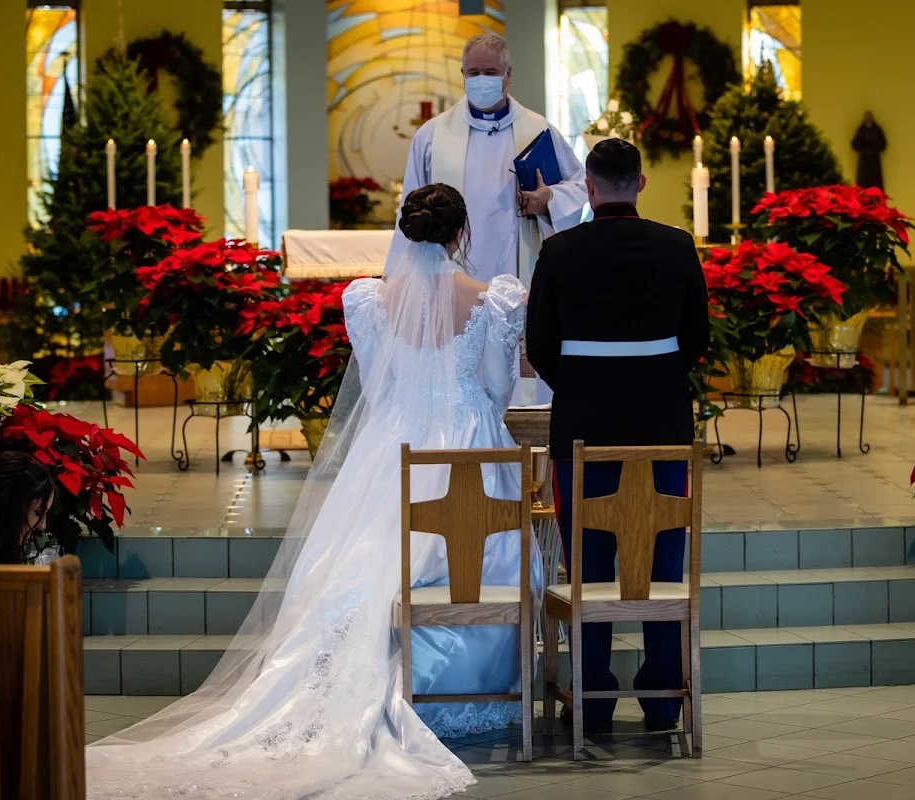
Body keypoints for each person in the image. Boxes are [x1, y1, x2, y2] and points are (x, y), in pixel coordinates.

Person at [86, 183, 540, 800]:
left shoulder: (372, 301)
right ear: (461, 235)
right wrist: (464, 410)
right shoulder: (494, 300)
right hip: (469, 448)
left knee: (365, 563)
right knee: (481, 555)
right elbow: (496, 388)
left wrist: (411, 414)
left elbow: (379, 390)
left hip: (392, 449)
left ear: (406, 234)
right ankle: (465, 690)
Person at [525, 139, 709, 732]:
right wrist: (651, 377)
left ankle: (595, 700)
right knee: (662, 557)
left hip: (582, 422)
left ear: (592, 187)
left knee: (590, 560)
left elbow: (540, 345)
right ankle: (660, 699)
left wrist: (582, 383)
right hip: (662, 424)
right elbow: (697, 339)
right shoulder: (677, 246)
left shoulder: (557, 250)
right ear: (642, 182)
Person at [392, 32, 587, 406]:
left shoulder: (538, 129)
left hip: (521, 269)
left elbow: (580, 185)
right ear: (462, 74)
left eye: (491, 71)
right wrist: (403, 281)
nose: (482, 79)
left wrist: (549, 199)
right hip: (449, 278)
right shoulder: (432, 135)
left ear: (508, 75)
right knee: (457, 389)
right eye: (473, 72)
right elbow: (411, 208)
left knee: (521, 390)